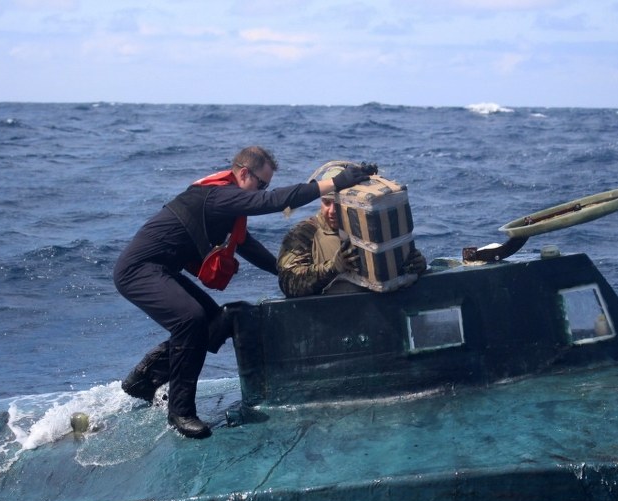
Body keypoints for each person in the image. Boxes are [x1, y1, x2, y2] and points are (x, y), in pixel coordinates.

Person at [113, 146, 374, 439]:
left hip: (162, 270)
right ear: (244, 173)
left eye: (265, 186)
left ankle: (146, 380)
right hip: (138, 270)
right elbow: (274, 201)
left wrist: (284, 272)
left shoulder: (227, 208)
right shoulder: (219, 196)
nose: (262, 191)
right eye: (261, 185)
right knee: (190, 318)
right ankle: (180, 411)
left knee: (216, 320)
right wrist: (336, 182)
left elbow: (246, 246)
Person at [277, 189, 427, 298]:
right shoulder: (304, 233)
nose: (332, 211)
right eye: (326, 203)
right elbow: (288, 284)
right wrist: (333, 268)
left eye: (338, 204)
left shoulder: (373, 229)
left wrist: (415, 266)